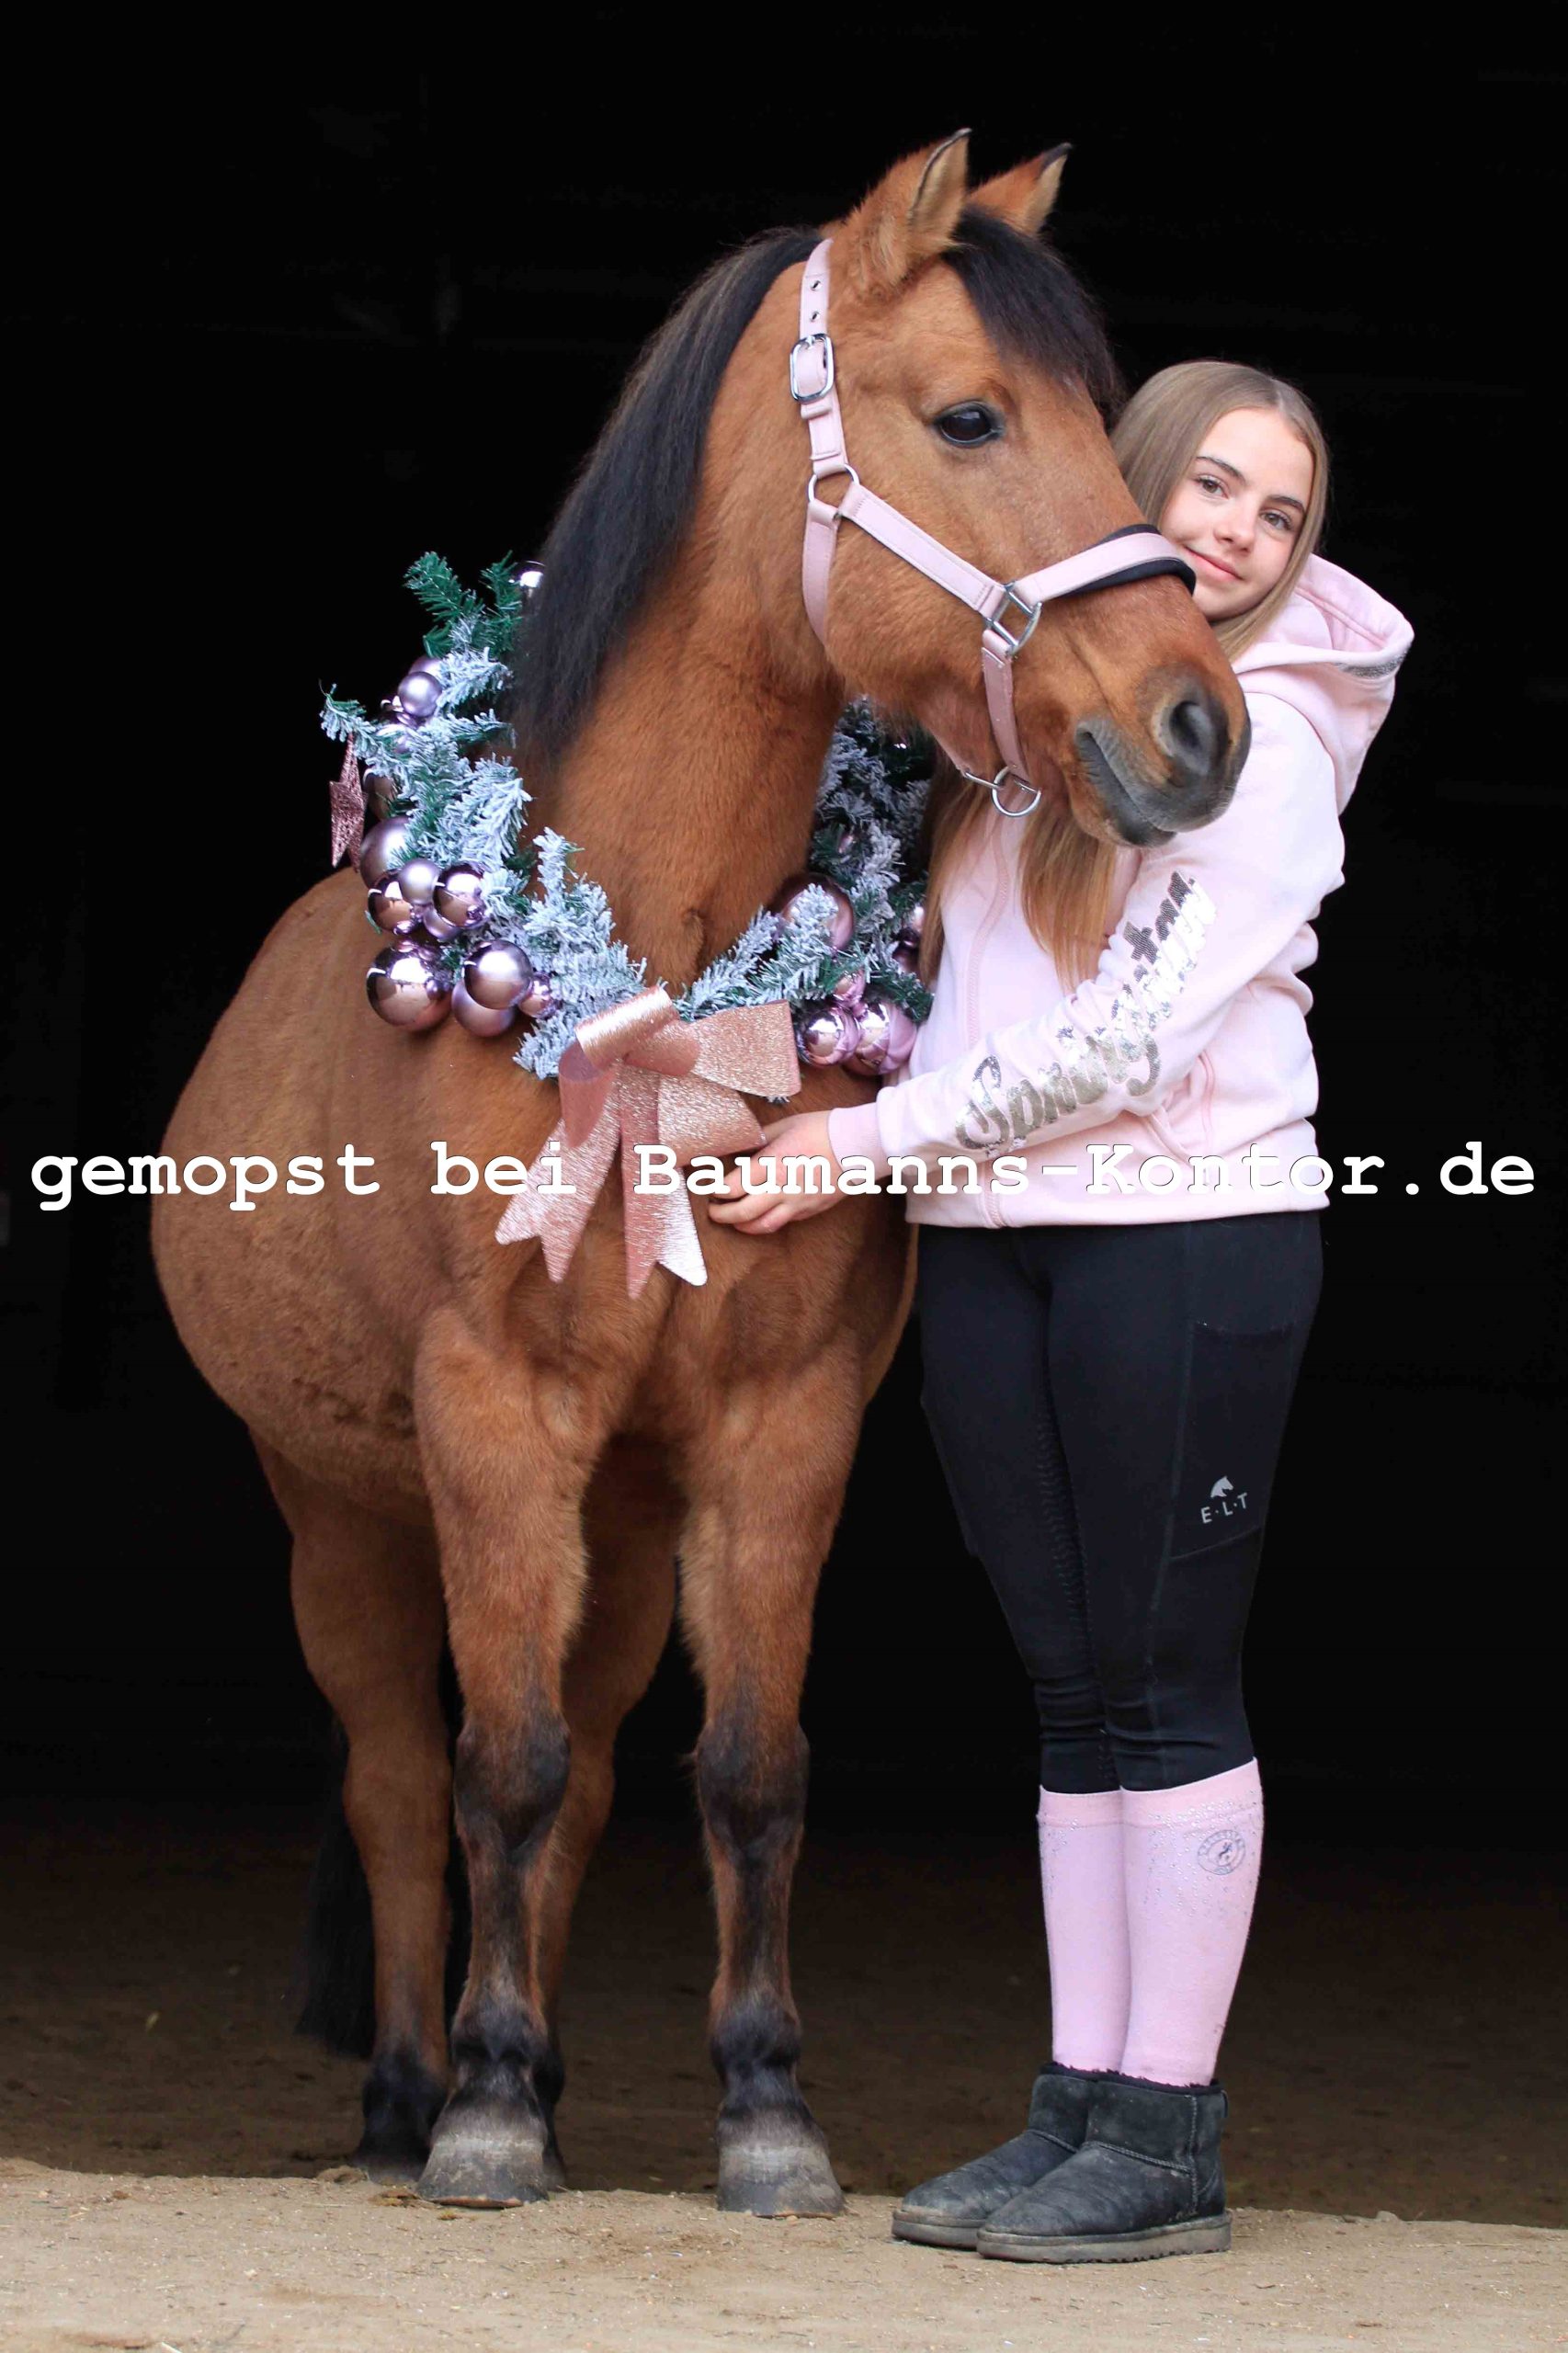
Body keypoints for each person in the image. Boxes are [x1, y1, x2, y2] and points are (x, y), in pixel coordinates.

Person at [707, 359, 1413, 2264]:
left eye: (1280, 512)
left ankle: (1167, 2130)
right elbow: (930, 992)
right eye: (1214, 486)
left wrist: (856, 1149)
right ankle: (1081, 2105)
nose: (1239, 533)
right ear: (1137, 479)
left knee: (1165, 1680)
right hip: (995, 1234)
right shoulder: (1026, 726)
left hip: (1180, 1237)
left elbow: (1122, 1044)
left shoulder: (1267, 737)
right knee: (1073, 1689)